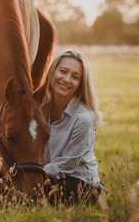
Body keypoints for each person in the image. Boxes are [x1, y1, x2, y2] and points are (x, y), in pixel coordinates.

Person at [41, 49, 103, 206]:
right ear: (52, 72)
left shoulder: (83, 118)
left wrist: (32, 174)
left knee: (33, 195)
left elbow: (66, 165)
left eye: (75, 77)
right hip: (45, 176)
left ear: (80, 84)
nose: (67, 79)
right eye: (63, 71)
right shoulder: (39, 108)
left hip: (78, 181)